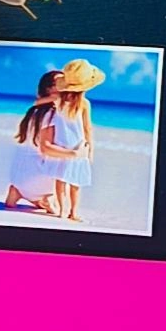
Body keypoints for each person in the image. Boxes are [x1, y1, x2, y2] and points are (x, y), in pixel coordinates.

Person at [4, 70, 81, 213]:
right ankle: (42, 197)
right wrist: (75, 154)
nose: (65, 85)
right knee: (68, 162)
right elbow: (45, 148)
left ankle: (20, 192)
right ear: (49, 89)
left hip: (17, 175)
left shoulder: (34, 111)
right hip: (35, 178)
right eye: (60, 82)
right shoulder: (50, 113)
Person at [50, 59, 105, 222]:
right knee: (76, 183)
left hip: (61, 145)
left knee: (60, 179)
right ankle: (73, 212)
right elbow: (88, 128)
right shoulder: (84, 103)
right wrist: (90, 150)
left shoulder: (58, 101)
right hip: (78, 147)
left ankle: (61, 210)